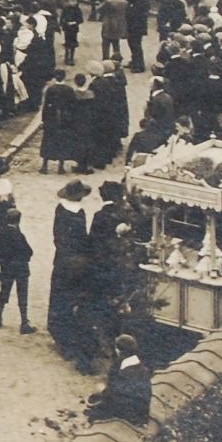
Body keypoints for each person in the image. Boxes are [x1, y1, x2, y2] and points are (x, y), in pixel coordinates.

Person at [48, 180, 95, 373]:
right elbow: (83, 237)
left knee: (60, 297)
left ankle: (61, 336)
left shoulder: (61, 210)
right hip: (78, 261)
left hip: (64, 261)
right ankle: (73, 339)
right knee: (75, 298)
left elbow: (57, 237)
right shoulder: (80, 213)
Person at [86, 333, 153, 426]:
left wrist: (101, 397)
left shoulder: (123, 370)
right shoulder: (140, 367)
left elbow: (115, 394)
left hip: (129, 414)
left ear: (119, 350)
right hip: (142, 412)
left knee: (93, 415)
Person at [0, 207, 35, 333]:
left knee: (4, 292)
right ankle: (24, 322)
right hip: (21, 268)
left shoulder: (2, 233)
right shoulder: (19, 235)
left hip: (7, 268)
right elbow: (29, 251)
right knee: (22, 295)